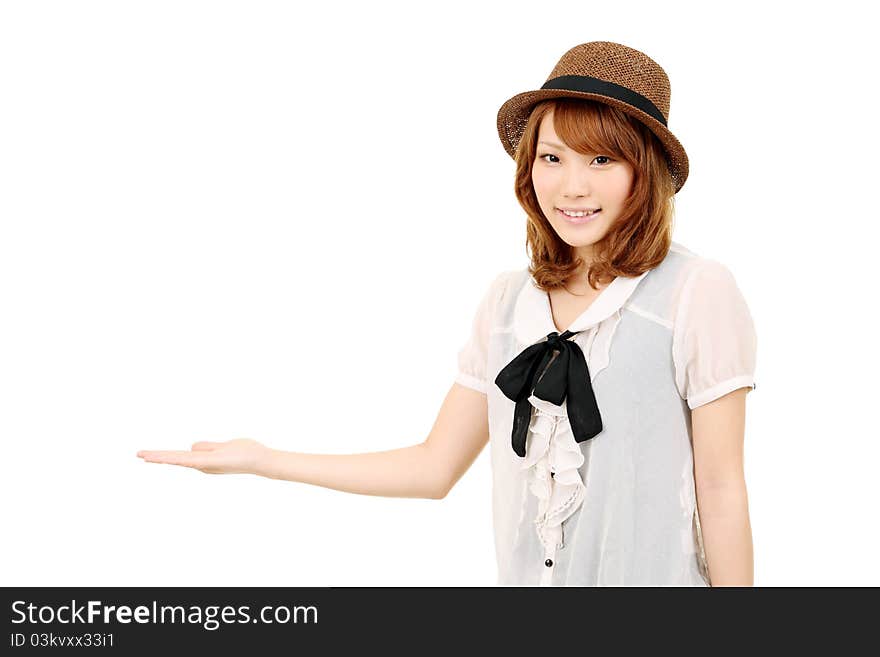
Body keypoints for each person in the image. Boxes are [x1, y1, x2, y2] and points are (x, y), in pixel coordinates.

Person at [137, 41, 757, 587]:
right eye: (553, 157)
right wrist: (265, 460)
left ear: (641, 172)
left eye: (602, 161)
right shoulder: (508, 304)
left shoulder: (694, 292)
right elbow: (434, 468)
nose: (572, 186)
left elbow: (722, 491)